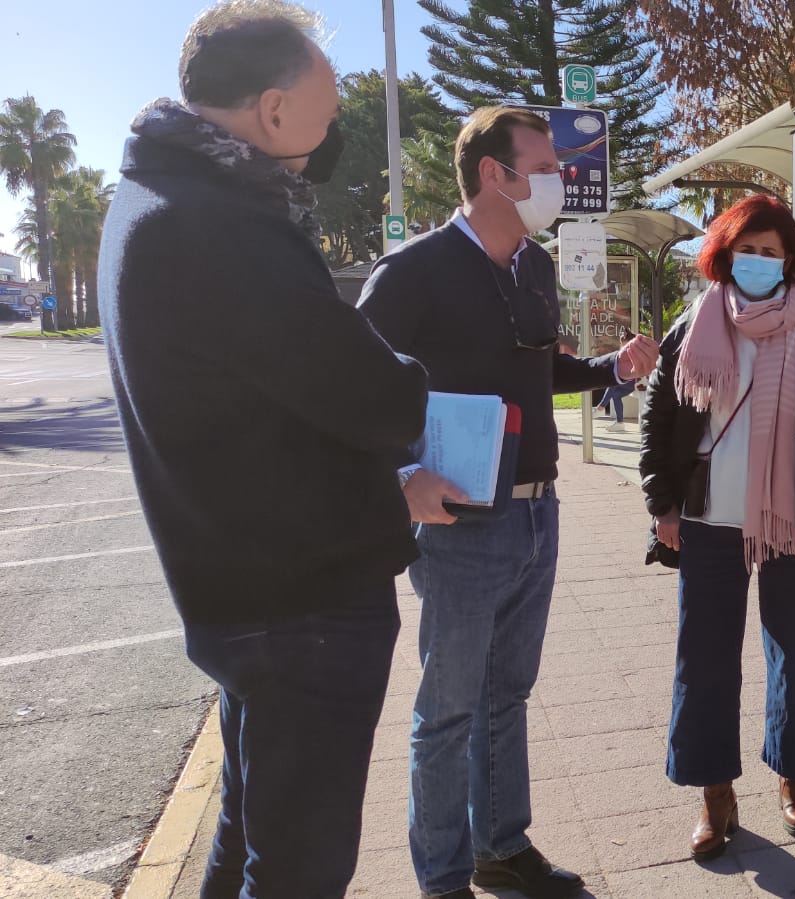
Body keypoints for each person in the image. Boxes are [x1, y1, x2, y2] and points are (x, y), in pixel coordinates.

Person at [98, 3, 428, 896]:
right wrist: (404, 380)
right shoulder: (218, 225)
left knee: (252, 838)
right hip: (302, 606)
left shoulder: (154, 195)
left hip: (248, 592)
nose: (327, 141)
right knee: (297, 870)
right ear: (273, 111)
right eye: (323, 118)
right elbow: (374, 393)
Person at [357, 105, 659, 899]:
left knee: (508, 694)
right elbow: (351, 391)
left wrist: (609, 371)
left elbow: (538, 371)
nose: (559, 181)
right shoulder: (413, 273)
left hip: (537, 510)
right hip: (460, 522)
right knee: (449, 707)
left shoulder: (533, 266)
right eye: (546, 165)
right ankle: (443, 875)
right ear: (495, 173)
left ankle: (501, 846)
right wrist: (400, 477)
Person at [638, 194, 795, 861]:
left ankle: (793, 772)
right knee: (705, 658)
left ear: (790, 259)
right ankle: (715, 791)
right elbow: (660, 420)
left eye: (772, 251)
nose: (760, 261)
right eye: (748, 249)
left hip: (794, 519)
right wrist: (662, 503)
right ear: (724, 253)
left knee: (793, 649)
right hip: (708, 519)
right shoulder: (697, 323)